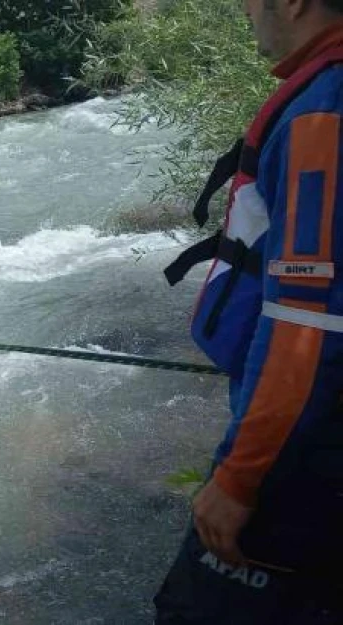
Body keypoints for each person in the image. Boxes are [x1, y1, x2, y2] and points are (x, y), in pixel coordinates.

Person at [156, 1, 343, 621]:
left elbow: (307, 327)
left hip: (311, 455)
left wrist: (239, 479)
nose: (243, 10)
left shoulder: (325, 111)